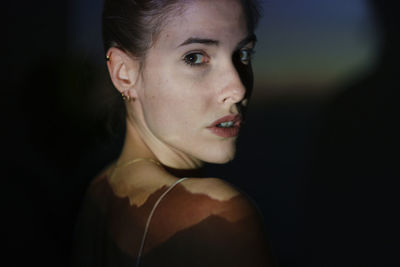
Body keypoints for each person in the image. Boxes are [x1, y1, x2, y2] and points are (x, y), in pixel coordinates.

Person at [72, 0, 275, 266]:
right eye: (195, 57)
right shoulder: (216, 215)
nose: (237, 88)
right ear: (124, 74)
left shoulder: (100, 189)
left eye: (243, 54)